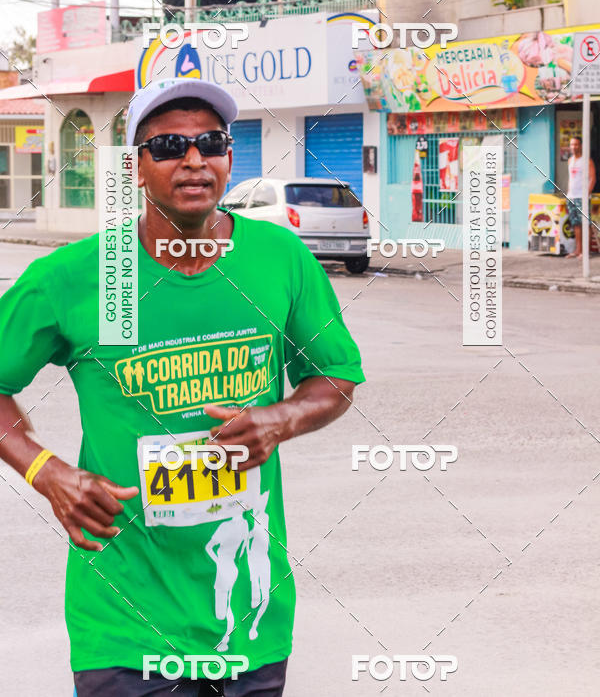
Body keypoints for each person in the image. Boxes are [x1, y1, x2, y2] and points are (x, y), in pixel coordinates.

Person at [0, 78, 365, 696]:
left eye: (212, 142)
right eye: (169, 144)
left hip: (248, 619)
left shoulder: (279, 257)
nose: (194, 159)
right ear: (137, 168)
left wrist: (281, 418)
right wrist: (46, 472)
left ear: (228, 158)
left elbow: (336, 376)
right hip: (122, 619)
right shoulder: (77, 277)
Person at [566, 135, 596, 258]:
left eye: (576, 144)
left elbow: (593, 178)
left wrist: (586, 194)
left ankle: (585, 251)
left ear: (581, 146)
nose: (573, 147)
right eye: (572, 144)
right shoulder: (570, 160)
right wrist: (568, 193)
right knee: (576, 223)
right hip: (571, 197)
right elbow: (571, 179)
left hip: (582, 197)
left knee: (585, 223)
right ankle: (578, 250)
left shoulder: (587, 161)